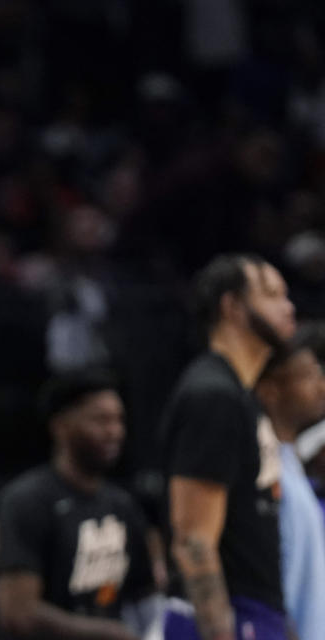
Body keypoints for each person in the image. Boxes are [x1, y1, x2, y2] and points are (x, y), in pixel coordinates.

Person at [161, 254, 296, 640]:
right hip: (225, 615)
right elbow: (193, 540)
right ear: (232, 306)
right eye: (272, 295)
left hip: (259, 610)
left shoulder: (243, 396)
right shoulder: (212, 395)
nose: (289, 307)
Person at [0, 369, 157, 640]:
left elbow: (145, 596)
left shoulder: (122, 505)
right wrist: (110, 634)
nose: (114, 431)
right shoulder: (28, 501)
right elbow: (17, 614)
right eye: (100, 420)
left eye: (119, 420)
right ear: (61, 426)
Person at [255, 328, 325, 640]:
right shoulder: (263, 470)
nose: (322, 387)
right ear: (270, 389)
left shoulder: (293, 467)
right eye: (308, 377)